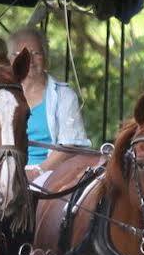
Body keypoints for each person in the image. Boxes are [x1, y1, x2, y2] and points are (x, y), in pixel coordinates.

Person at [6, 28, 90, 185]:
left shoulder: (64, 95)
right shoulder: (1, 96)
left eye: (36, 53)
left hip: (49, 177)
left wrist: (38, 171)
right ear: (10, 60)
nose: (29, 60)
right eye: (21, 54)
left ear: (45, 58)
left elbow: (69, 145)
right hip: (6, 174)